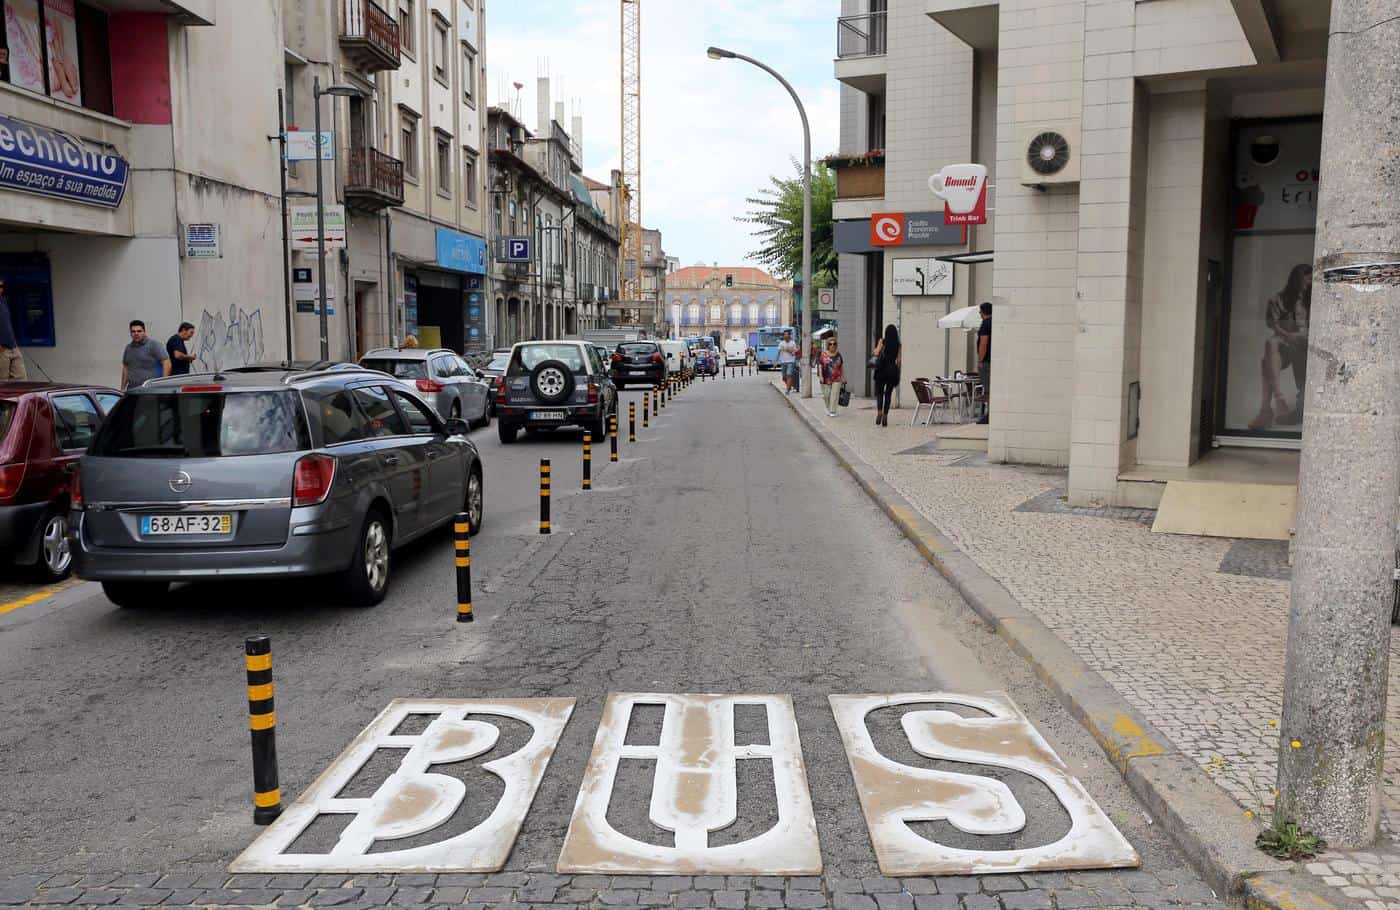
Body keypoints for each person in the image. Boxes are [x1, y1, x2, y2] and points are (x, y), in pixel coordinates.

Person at [1249, 264, 1312, 430]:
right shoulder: (1279, 299)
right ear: (1296, 281)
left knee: (1265, 362)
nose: (1308, 285)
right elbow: (1273, 324)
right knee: (1271, 343)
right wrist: (1288, 335)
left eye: (1310, 282)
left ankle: (1266, 410)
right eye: (1305, 282)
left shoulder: (1314, 300)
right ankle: (1278, 398)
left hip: (1308, 344)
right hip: (1287, 342)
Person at [121, 320, 171, 392]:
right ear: (130, 333)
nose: (136, 334)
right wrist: (122, 388)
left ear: (144, 332)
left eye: (139, 331)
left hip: (150, 390)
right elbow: (125, 368)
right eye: (133, 331)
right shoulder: (128, 348)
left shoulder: (154, 345)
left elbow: (167, 363)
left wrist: (162, 385)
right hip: (132, 390)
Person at [872, 324, 901, 426]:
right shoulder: (898, 344)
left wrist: (877, 348)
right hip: (892, 370)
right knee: (888, 394)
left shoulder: (882, 341)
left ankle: (879, 412)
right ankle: (885, 416)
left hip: (881, 369)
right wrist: (898, 373)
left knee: (880, 392)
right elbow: (899, 361)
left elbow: (876, 353)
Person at [0, 277, 25, 381]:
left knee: (21, 380)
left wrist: (14, 343)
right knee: (3, 384)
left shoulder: (3, 302)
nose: (1, 289)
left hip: (13, 347)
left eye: (1, 286)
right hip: (2, 350)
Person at [819, 335, 845, 417]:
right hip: (826, 378)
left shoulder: (839, 355)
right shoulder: (824, 355)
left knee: (834, 394)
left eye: (834, 344)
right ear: (828, 345)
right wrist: (820, 376)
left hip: (837, 378)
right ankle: (829, 408)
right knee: (826, 395)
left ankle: (833, 411)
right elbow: (820, 365)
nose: (832, 345)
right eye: (830, 344)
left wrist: (843, 377)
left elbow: (841, 366)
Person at [976, 302, 993, 425]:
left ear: (982, 312)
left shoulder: (985, 324)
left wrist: (981, 360)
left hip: (986, 362)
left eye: (980, 312)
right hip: (994, 360)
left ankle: (989, 415)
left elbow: (984, 343)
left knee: (988, 389)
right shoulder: (995, 322)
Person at [777, 328, 799, 394]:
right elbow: (778, 353)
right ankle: (789, 386)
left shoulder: (793, 343)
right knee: (784, 377)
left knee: (789, 375)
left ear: (789, 336)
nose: (785, 336)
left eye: (787, 335)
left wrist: (789, 351)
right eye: (784, 335)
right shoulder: (781, 343)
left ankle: (787, 389)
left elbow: (795, 353)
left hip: (791, 362)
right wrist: (775, 362)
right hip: (783, 362)